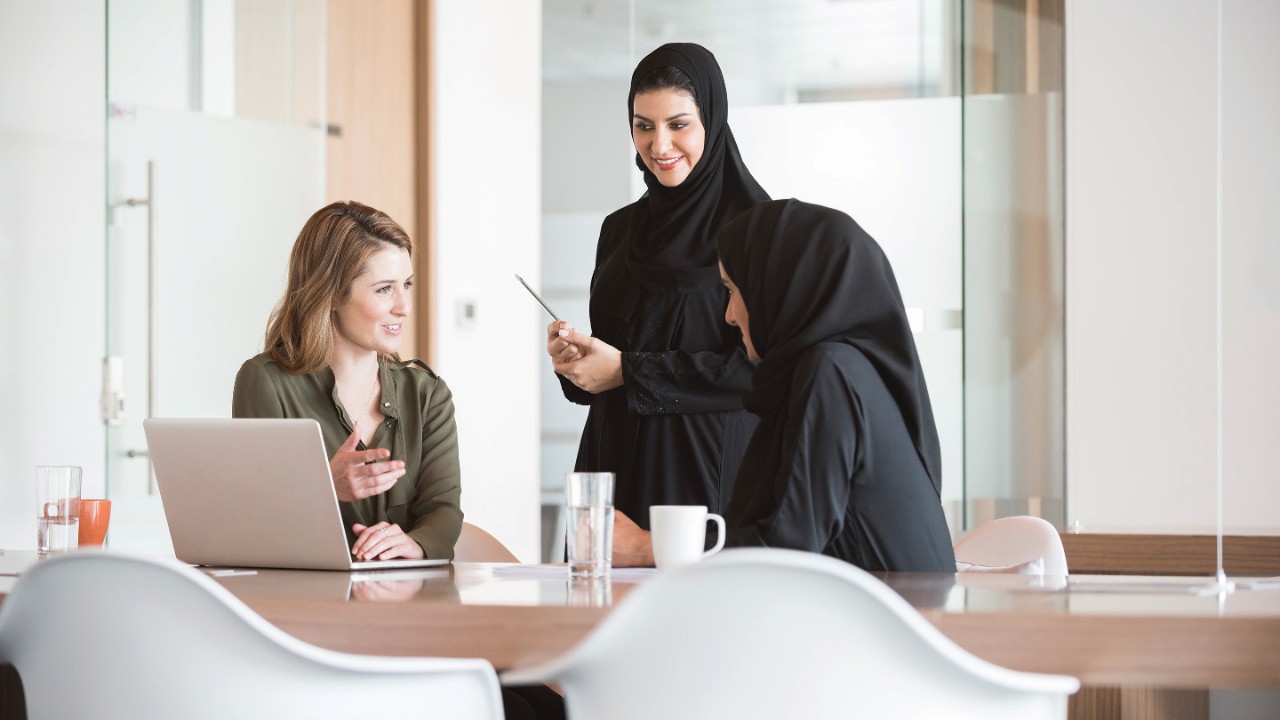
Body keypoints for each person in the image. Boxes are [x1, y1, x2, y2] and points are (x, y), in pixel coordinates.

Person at [615, 198, 956, 572]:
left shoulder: (832, 372)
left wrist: (649, 547)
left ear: (779, 288)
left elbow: (786, 547)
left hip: (876, 627)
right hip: (866, 618)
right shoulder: (849, 370)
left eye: (732, 291)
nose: (729, 316)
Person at [547, 43, 770, 542]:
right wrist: (577, 362)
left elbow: (762, 370)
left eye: (678, 124)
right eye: (643, 125)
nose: (660, 144)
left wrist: (627, 370)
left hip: (705, 471)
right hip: (611, 463)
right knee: (597, 613)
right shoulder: (619, 230)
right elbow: (606, 364)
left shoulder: (758, 230)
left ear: (712, 120)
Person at [232, 200, 461, 561]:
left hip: (407, 601)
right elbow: (252, 518)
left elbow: (443, 509)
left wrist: (414, 544)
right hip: (305, 601)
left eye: (407, 284)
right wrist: (324, 486)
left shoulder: (427, 394)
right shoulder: (266, 383)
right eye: (384, 289)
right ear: (333, 294)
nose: (404, 306)